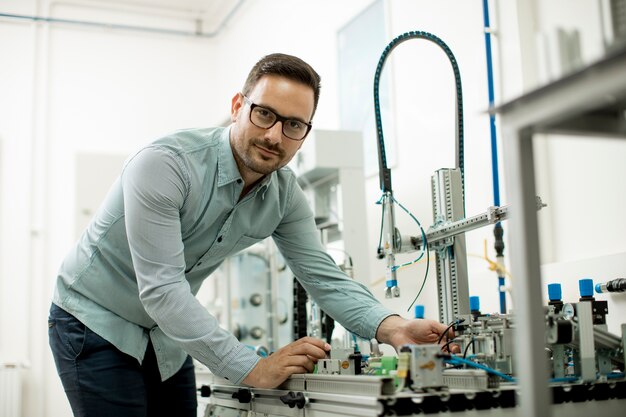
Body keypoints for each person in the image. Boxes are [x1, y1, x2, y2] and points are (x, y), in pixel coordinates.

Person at [48, 53, 453, 417]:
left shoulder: (284, 195)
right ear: (238, 106)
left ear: (304, 134)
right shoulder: (166, 165)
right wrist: (252, 368)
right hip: (94, 319)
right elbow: (162, 290)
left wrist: (393, 327)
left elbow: (322, 277)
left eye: (293, 125)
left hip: (164, 336)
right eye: (264, 114)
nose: (274, 136)